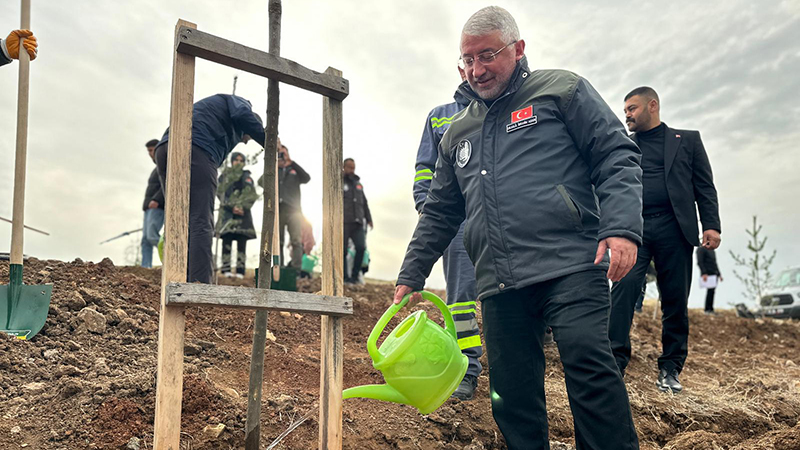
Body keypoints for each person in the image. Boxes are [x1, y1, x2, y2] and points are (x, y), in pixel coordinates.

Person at [394, 7, 641, 449]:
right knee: (510, 393)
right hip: (500, 281)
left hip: (570, 263)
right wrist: (412, 272)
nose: (476, 69)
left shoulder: (561, 90)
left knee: (590, 367)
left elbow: (615, 155)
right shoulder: (457, 131)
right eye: (467, 60)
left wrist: (621, 228)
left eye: (487, 55)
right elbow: (440, 210)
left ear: (518, 48)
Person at [609, 86, 721, 393]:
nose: (627, 114)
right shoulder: (623, 145)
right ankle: (615, 362)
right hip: (636, 231)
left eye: (632, 108)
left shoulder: (688, 140)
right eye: (626, 109)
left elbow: (705, 187)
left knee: (675, 300)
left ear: (652, 106)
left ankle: (671, 367)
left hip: (676, 229)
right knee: (623, 290)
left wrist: (711, 225)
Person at [413, 71, 483, 400]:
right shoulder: (440, 116)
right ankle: (467, 367)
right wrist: (427, 209)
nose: (477, 69)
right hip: (456, 223)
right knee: (461, 299)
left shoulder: (504, 107)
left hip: (502, 219)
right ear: (462, 68)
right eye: (469, 60)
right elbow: (425, 166)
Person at [154, 94, 265, 283]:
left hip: (165, 149)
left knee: (177, 218)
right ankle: (199, 286)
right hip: (196, 148)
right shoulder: (240, 104)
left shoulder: (216, 112)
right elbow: (241, 114)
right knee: (200, 219)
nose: (244, 142)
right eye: (248, 137)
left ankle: (177, 279)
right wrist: (268, 140)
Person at [216, 152, 258, 278]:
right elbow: (220, 193)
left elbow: (252, 195)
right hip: (228, 214)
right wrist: (231, 206)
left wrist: (242, 207)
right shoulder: (224, 176)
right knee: (226, 242)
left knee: (241, 244)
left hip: (243, 216)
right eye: (236, 160)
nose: (238, 162)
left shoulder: (247, 177)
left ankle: (240, 271)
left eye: (241, 160)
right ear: (232, 161)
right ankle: (225, 269)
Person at [277, 144, 310, 270]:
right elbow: (261, 182)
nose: (282, 157)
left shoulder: (294, 170)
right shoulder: (274, 170)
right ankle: (278, 268)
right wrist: (274, 166)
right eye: (279, 154)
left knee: (296, 240)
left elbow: (306, 178)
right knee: (278, 241)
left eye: (283, 154)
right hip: (278, 210)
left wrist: (292, 163)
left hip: (294, 210)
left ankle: (296, 270)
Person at [342, 158, 372, 285]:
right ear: (343, 167)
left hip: (358, 222)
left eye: (353, 167)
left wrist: (369, 219)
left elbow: (364, 203)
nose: (351, 170)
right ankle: (344, 277)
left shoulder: (358, 184)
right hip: (344, 221)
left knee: (361, 247)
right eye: (349, 167)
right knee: (342, 250)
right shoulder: (339, 182)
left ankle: (354, 277)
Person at [141, 139, 165, 268]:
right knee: (145, 240)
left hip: (157, 207)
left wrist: (157, 199)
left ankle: (170, 255)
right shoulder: (156, 169)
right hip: (149, 207)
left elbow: (166, 184)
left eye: (151, 150)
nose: (150, 153)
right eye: (148, 151)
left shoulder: (164, 165)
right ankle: (146, 267)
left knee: (152, 236)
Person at [697, 247, 722, 315]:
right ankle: (707, 309)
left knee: (712, 291)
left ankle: (710, 308)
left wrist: (719, 274)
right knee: (710, 291)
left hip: (714, 273)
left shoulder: (711, 250)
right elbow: (700, 262)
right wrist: (704, 273)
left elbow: (714, 263)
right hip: (708, 273)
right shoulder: (701, 249)